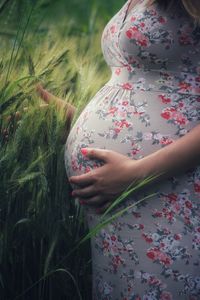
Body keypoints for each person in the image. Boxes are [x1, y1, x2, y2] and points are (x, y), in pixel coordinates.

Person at [38, 0, 200, 298]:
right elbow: (142, 87)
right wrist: (73, 122)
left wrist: (136, 173)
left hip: (167, 190)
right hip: (119, 209)